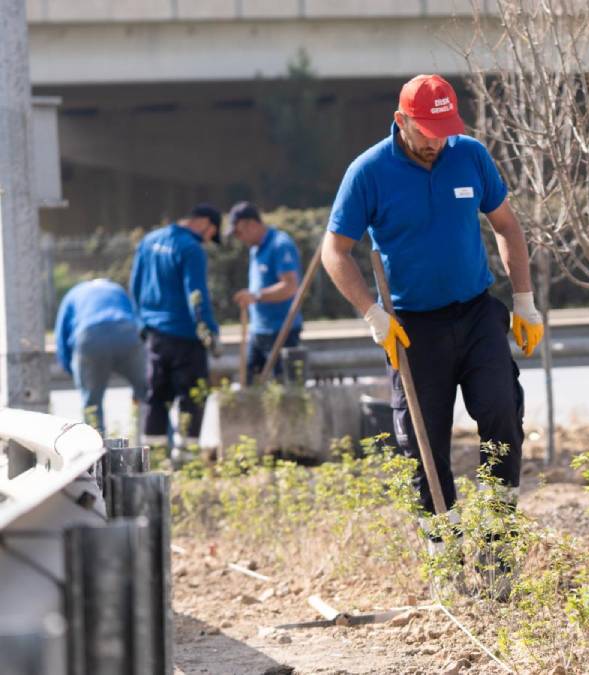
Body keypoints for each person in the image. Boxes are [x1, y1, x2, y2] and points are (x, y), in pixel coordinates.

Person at [320, 74, 543, 564]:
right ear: (400, 121)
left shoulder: (469, 155)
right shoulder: (369, 171)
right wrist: (372, 313)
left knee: (503, 412)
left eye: (443, 129)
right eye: (425, 131)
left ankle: (498, 538)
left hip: (477, 310)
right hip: (412, 327)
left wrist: (524, 300)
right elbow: (334, 251)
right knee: (422, 442)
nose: (435, 141)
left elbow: (506, 225)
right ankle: (444, 550)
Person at [129, 204, 222, 451]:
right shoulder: (191, 248)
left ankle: (155, 457)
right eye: (212, 232)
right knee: (192, 397)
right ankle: (188, 457)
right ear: (204, 223)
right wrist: (208, 330)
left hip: (155, 335)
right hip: (186, 335)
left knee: (156, 396)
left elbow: (135, 286)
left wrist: (142, 323)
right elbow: (196, 295)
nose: (209, 238)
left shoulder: (148, 242)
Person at [55, 279, 148, 433]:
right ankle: (155, 445)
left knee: (92, 403)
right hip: (127, 333)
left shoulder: (73, 294)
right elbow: (137, 317)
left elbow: (61, 337)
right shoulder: (117, 289)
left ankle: (97, 451)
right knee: (146, 393)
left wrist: (71, 369)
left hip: (90, 336)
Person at [227, 201, 303, 380]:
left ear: (252, 224)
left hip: (282, 330)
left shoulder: (280, 244)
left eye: (239, 232)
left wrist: (256, 296)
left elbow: (290, 286)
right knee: (248, 382)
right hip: (259, 330)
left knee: (285, 388)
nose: (238, 238)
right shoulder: (255, 248)